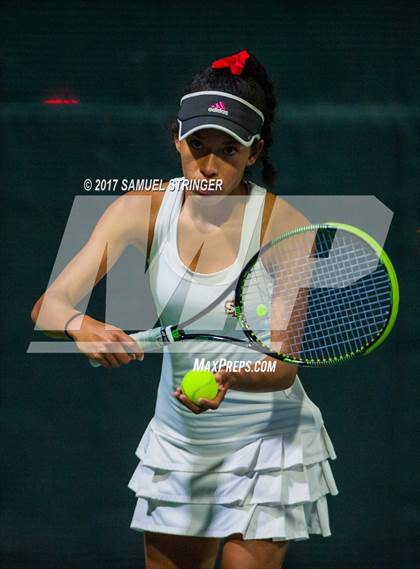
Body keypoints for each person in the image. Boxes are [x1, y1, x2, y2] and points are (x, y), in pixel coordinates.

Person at [31, 50, 338, 569]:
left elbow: (283, 366)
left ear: (255, 150)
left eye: (229, 150)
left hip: (267, 446)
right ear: (177, 137)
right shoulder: (139, 211)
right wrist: (80, 325)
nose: (210, 166)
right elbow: (48, 307)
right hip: (180, 441)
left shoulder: (285, 225)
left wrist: (226, 376)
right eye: (197, 146)